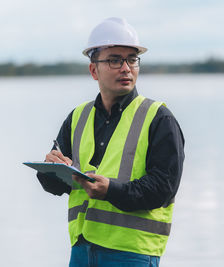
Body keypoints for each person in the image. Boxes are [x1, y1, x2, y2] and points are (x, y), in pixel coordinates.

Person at [36, 17, 185, 267]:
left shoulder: (159, 118)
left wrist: (111, 191)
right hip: (81, 251)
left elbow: (163, 188)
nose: (126, 68)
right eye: (115, 60)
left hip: (132, 254)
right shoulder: (77, 118)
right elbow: (54, 184)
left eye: (132, 59)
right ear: (93, 70)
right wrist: (51, 168)